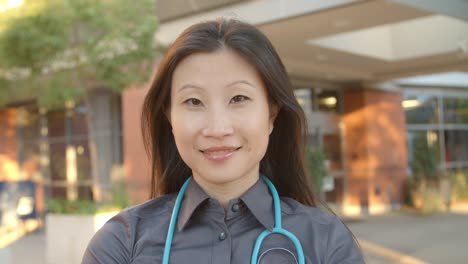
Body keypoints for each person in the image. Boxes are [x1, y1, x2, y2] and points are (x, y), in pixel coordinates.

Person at [82, 18, 364, 264]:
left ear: (271, 114)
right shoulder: (121, 243)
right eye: (193, 101)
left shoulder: (328, 242)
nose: (217, 128)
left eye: (238, 98)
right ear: (169, 117)